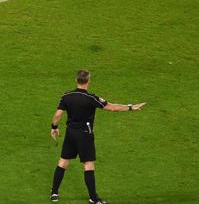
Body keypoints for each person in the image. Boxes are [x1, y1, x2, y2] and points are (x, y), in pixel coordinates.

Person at [49, 69, 146, 203]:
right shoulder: (91, 98)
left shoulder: (67, 96)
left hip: (70, 133)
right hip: (85, 135)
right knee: (88, 165)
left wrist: (54, 127)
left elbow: (58, 115)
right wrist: (130, 107)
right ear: (88, 81)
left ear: (76, 80)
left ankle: (54, 193)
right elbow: (112, 107)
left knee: (63, 161)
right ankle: (93, 198)